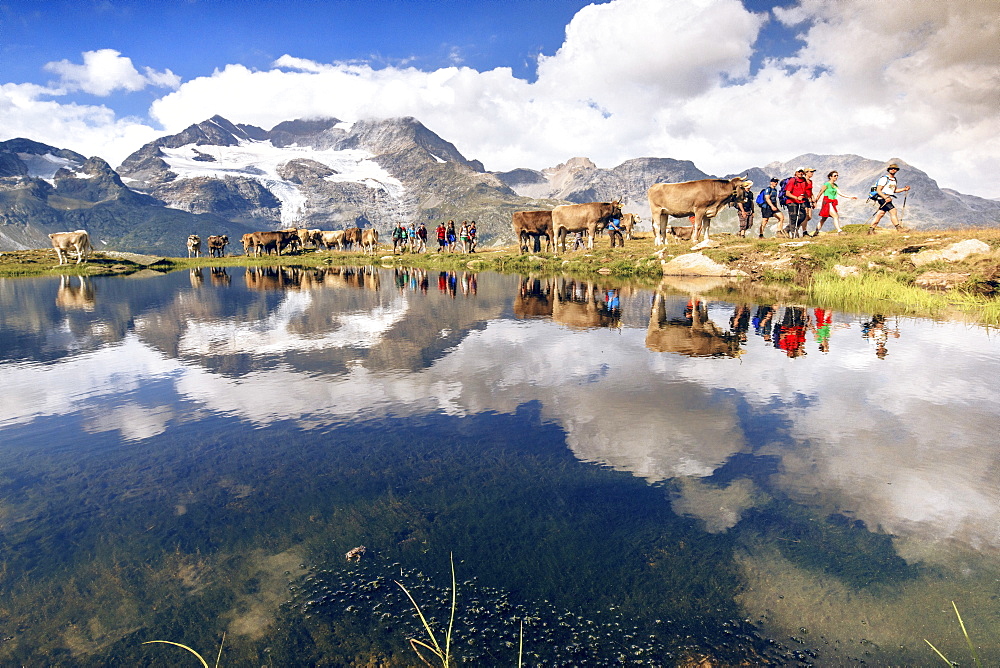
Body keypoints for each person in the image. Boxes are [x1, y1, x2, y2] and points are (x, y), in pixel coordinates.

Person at [869, 163, 911, 234]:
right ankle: (899, 229)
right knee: (893, 211)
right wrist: (885, 197)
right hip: (882, 197)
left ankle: (871, 230)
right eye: (891, 169)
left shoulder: (894, 180)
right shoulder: (884, 179)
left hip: (887, 197)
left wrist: (904, 189)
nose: (893, 170)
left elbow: (893, 190)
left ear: (897, 170)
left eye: (895, 169)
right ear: (889, 170)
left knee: (880, 214)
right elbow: (878, 190)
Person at [813, 171, 856, 235]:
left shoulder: (835, 185)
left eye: (837, 175)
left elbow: (840, 193)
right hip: (827, 202)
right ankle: (839, 231)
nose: (836, 177)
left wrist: (850, 197)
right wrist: (815, 201)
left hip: (832, 202)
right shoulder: (826, 184)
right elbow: (820, 193)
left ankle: (816, 232)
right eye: (835, 175)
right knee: (835, 216)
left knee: (824, 218)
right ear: (830, 177)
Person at [784, 169, 812, 238]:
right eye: (799, 172)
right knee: (793, 218)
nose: (800, 173)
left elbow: (804, 190)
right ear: (795, 172)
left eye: (801, 172)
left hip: (801, 201)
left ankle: (787, 229)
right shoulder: (792, 180)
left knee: (803, 216)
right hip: (792, 202)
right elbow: (787, 193)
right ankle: (794, 235)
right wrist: (796, 197)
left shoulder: (803, 180)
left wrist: (806, 197)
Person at [802, 167, 817, 236]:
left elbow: (810, 191)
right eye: (811, 172)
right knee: (805, 215)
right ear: (806, 173)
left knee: (809, 217)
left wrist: (813, 200)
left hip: (809, 200)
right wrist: (807, 198)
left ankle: (795, 226)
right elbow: (802, 190)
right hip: (804, 199)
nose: (812, 173)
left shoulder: (810, 181)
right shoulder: (803, 181)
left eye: (812, 172)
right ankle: (804, 232)